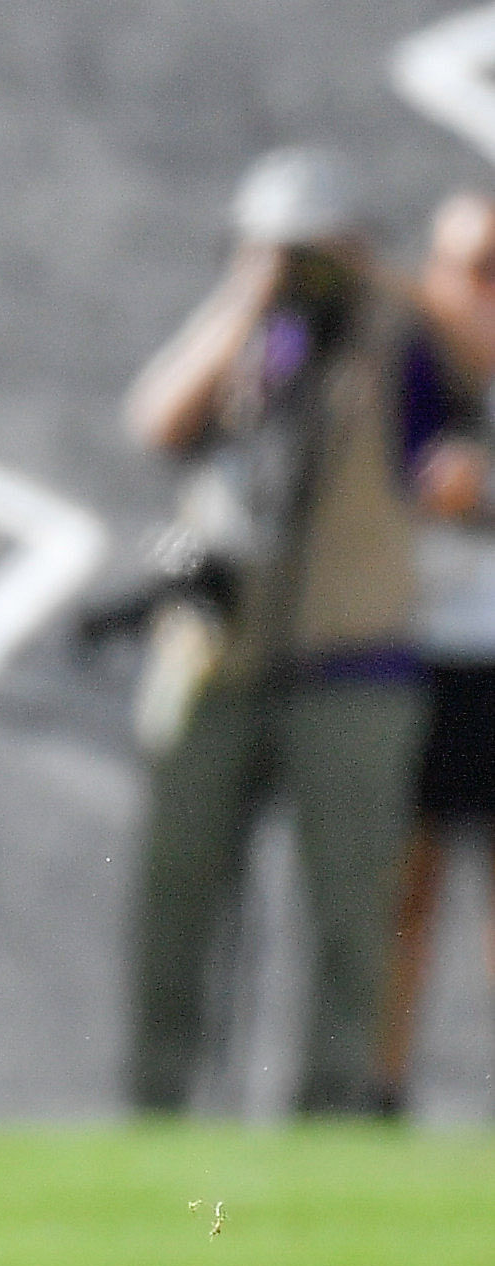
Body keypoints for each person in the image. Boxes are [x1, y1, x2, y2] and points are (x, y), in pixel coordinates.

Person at [120, 148, 458, 1116]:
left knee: (352, 903)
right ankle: (158, 1103)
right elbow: (156, 420)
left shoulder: (397, 341)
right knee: (177, 894)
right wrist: (246, 299)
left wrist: (375, 280)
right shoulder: (245, 337)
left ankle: (332, 1103)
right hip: (220, 655)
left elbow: (477, 362)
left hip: (355, 660)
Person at [375, 192, 495, 1116]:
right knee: (401, 890)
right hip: (415, 655)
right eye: (478, 269)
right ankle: (378, 1086)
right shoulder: (396, 369)